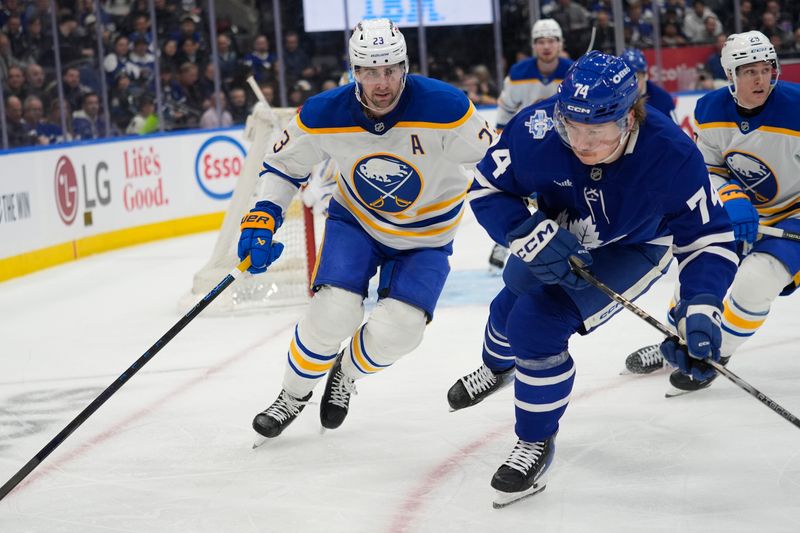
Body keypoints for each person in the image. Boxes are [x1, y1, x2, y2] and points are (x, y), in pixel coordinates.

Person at [448, 51, 737, 506]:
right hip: (557, 230)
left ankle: (536, 440)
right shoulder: (538, 127)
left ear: (629, 117)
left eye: (597, 131)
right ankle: (497, 367)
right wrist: (525, 231)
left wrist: (700, 306)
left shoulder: (671, 154)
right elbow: (488, 187)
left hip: (633, 247)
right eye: (572, 126)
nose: (581, 143)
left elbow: (707, 239)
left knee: (535, 325)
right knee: (507, 304)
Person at [238, 19, 493, 439]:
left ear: (405, 66)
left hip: (426, 238)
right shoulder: (324, 112)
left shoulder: (445, 108)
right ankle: (293, 395)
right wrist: (263, 213)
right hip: (357, 223)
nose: (382, 83)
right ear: (354, 71)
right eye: (370, 72)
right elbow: (284, 164)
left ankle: (346, 372)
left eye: (390, 69)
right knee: (332, 312)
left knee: (402, 330)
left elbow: (496, 161)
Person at [624, 31, 800, 392]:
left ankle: (714, 355)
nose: (760, 79)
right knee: (701, 266)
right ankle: (681, 336)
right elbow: (708, 166)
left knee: (755, 282)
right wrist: (732, 197)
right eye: (748, 71)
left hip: (792, 216)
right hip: (740, 210)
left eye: (766, 69)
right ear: (730, 75)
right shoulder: (708, 109)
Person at [489, 18, 574, 270]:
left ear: (560, 44)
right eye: (540, 41)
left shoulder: (573, 72)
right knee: (513, 194)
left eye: (551, 41)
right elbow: (504, 114)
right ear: (533, 45)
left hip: (565, 149)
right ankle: (504, 240)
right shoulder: (518, 74)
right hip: (526, 149)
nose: (546, 46)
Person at [620, 47, 676, 122]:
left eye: (636, 79)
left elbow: (674, 129)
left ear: (646, 75)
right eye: (626, 80)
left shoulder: (662, 99)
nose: (631, 85)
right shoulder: (615, 99)